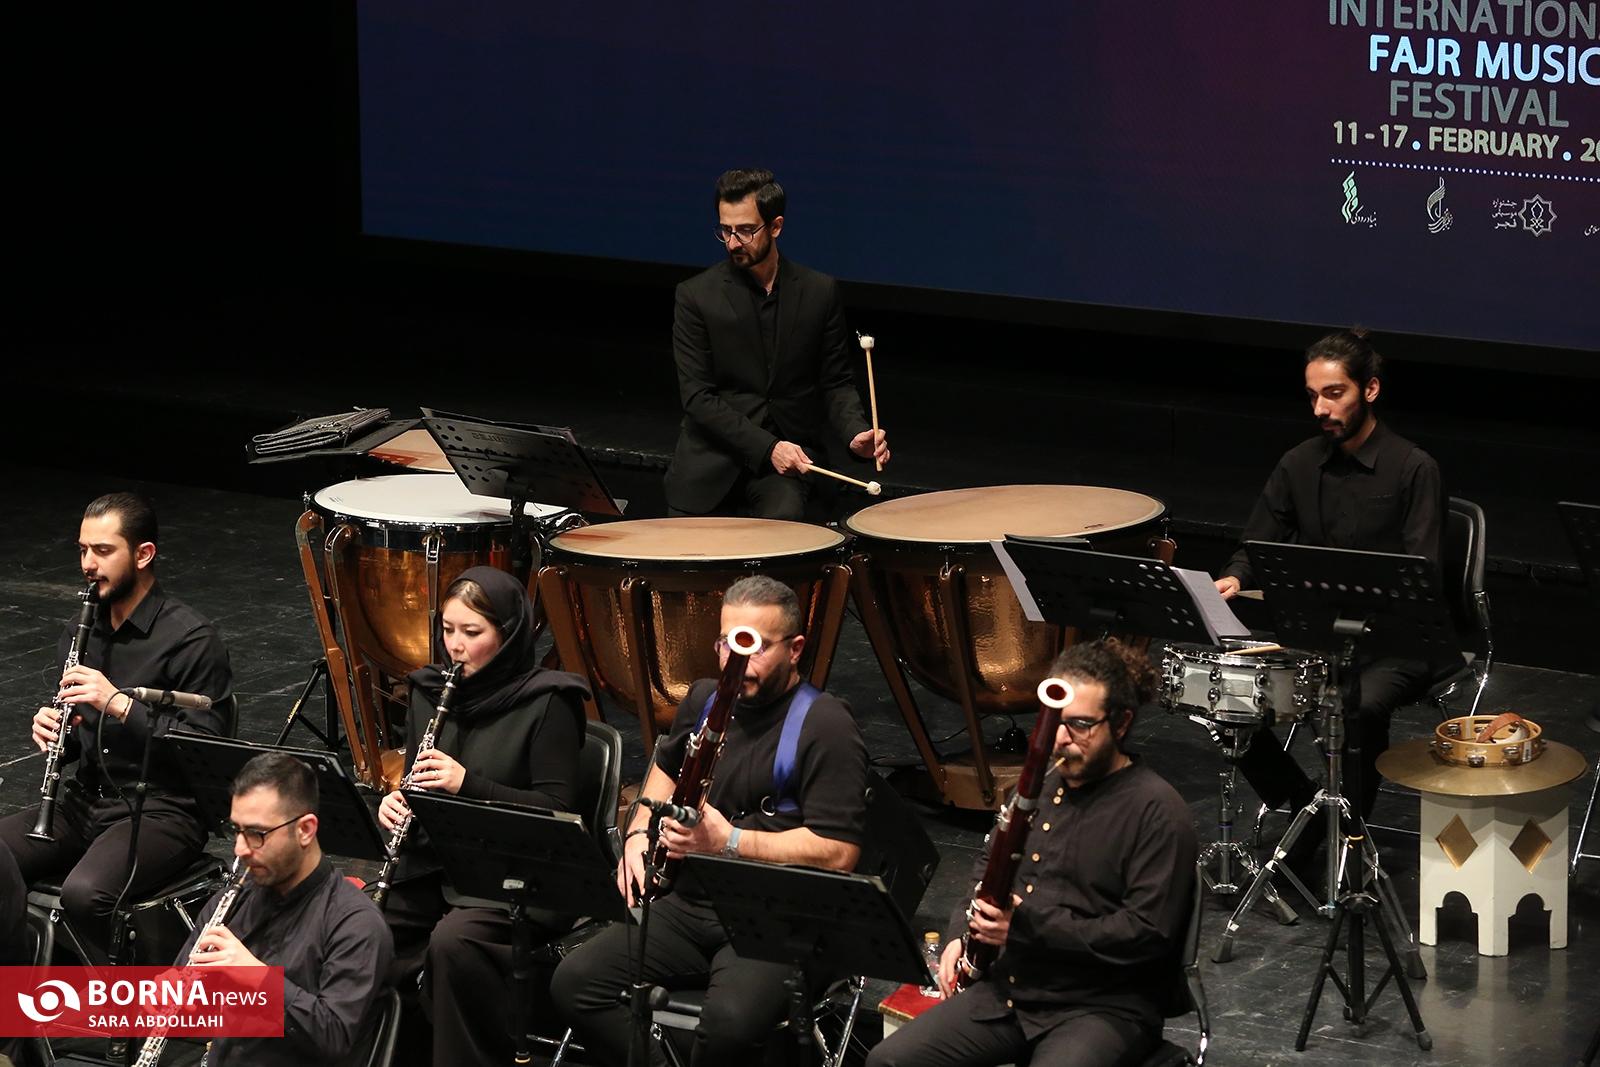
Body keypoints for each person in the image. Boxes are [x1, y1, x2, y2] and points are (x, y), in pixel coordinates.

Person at [551, 575, 870, 1066]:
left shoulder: (826, 724)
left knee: (729, 1025)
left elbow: (840, 853)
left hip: (773, 917)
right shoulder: (704, 698)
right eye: (727, 644)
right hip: (689, 902)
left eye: (754, 647)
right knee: (575, 983)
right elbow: (663, 772)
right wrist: (637, 835)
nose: (735, 662)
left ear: (795, 649)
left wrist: (730, 840)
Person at [866, 639, 1198, 1067]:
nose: (1061, 738)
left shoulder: (1157, 811)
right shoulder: (1039, 786)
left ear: (1121, 724)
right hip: (1014, 989)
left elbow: (1147, 935)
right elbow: (987, 869)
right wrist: (960, 936)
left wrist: (1024, 929)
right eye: (1054, 721)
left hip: (1104, 1005)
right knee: (889, 1061)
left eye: (1080, 725)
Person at [1213, 329, 1445, 865]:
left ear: (1370, 390)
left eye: (1334, 393)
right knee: (1225, 696)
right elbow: (1258, 541)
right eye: (1313, 395)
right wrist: (1236, 576)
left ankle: (1323, 841)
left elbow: (1422, 578)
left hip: (1397, 643)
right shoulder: (1298, 464)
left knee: (1353, 704)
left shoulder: (1414, 469)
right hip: (1319, 634)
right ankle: (1307, 807)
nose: (1321, 408)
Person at [0, 492, 233, 960]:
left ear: (143, 554)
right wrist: (56, 732)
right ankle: (21, 980)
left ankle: (106, 995)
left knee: (86, 893)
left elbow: (208, 747)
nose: (88, 564)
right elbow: (78, 739)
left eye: (103, 551)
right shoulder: (80, 629)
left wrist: (121, 706)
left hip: (163, 810)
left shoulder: (191, 640)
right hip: (84, 803)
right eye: (83, 550)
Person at [375, 566, 591, 1066]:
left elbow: (557, 813)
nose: (455, 645)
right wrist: (397, 803)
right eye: (448, 629)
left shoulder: (550, 702)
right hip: (439, 864)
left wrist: (467, 785)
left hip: (520, 878)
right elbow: (418, 784)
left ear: (508, 634)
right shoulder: (428, 691)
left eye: (472, 633)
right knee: (366, 925)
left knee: (454, 944)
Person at [662, 168, 891, 520]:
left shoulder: (818, 292)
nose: (733, 243)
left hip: (785, 468)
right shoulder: (696, 296)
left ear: (776, 226)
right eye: (725, 230)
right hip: (710, 465)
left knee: (783, 530)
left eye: (745, 230)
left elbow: (835, 382)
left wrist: (855, 433)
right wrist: (768, 447)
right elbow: (697, 397)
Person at [174, 751, 393, 1065]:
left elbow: (335, 1037)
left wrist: (257, 979)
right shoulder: (230, 903)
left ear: (305, 830)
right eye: (236, 830)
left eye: (256, 834)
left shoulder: (356, 924)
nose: (239, 848)